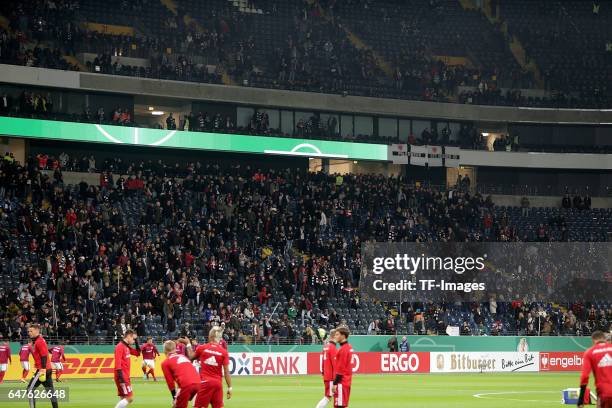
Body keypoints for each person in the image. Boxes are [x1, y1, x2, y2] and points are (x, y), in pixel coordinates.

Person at [184, 326, 232, 408]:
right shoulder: (224, 352)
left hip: (205, 383)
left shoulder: (202, 348)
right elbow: (226, 372)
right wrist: (229, 387)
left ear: (210, 336)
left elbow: (191, 357)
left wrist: (188, 344)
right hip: (218, 384)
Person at [161, 340, 201, 408]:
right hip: (199, 383)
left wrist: (174, 398)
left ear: (164, 351)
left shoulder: (165, 363)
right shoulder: (183, 356)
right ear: (175, 349)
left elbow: (170, 382)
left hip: (186, 385)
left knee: (177, 405)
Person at [27, 323, 59, 408]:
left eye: (31, 331)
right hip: (46, 369)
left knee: (30, 389)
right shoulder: (39, 340)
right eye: (28, 331)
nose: (29, 332)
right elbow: (40, 355)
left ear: (37, 331)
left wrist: (43, 369)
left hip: (42, 370)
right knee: (50, 392)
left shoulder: (39, 341)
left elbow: (44, 355)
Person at [578, 330, 612, 408]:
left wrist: (581, 399)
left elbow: (584, 376)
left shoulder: (590, 352)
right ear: (604, 339)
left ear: (593, 340)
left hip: (604, 393)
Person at [113, 329, 141, 408]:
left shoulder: (126, 347)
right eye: (132, 338)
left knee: (123, 398)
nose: (133, 340)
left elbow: (138, 353)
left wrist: (136, 340)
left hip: (124, 376)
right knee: (129, 398)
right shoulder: (120, 347)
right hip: (122, 376)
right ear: (128, 336)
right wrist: (121, 379)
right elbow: (117, 364)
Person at [332, 327, 353, 408]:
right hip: (346, 382)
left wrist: (334, 383)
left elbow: (340, 369)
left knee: (340, 406)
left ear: (343, 336)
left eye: (337, 334)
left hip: (341, 383)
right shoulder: (349, 347)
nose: (335, 336)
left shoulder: (343, 349)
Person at [315, 329, 337, 408]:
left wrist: (323, 373)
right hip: (331, 377)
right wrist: (335, 380)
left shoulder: (326, 347)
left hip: (326, 376)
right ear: (335, 336)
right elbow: (335, 366)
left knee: (331, 396)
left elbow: (322, 363)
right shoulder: (333, 348)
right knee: (328, 397)